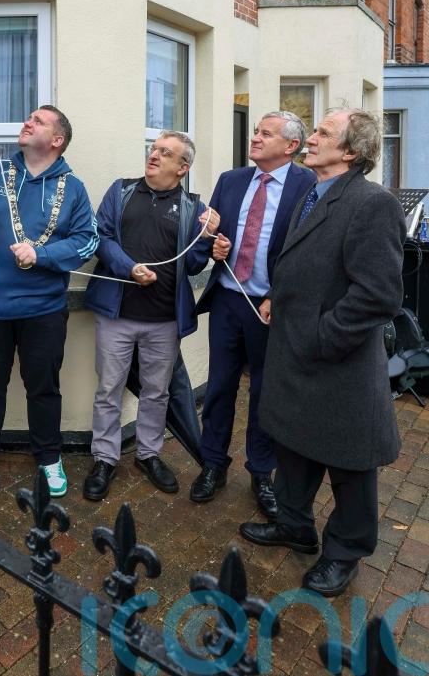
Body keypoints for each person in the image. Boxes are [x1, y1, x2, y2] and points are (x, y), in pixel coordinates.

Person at [240, 108, 405, 597]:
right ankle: (295, 525)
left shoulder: (373, 204)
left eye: (322, 133)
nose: (308, 139)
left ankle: (345, 552)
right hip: (296, 351)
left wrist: (320, 338)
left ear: (351, 151)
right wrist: (277, 297)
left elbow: (378, 295)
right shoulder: (313, 193)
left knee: (350, 463)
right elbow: (303, 265)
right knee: (293, 444)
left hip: (340, 363)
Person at [0, 105, 98, 497]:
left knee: (43, 388)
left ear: (57, 140)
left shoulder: (74, 188)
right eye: (28, 118)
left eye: (39, 121)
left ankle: (49, 458)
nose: (27, 122)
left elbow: (87, 240)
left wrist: (41, 255)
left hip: (43, 311)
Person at [81, 132, 219, 500]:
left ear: (183, 167)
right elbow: (102, 238)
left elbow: (192, 264)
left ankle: (148, 454)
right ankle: (105, 458)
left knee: (156, 392)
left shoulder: (193, 206)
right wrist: (129, 268)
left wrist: (207, 238)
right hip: (117, 315)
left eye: (165, 153)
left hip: (164, 320)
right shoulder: (121, 191)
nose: (154, 155)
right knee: (109, 389)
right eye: (154, 149)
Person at [190, 111, 314, 517]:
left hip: (270, 307)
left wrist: (279, 295)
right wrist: (213, 246)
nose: (255, 138)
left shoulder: (308, 186)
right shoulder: (231, 180)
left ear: (291, 146)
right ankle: (212, 464)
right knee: (220, 387)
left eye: (265, 133)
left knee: (265, 391)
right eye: (255, 131)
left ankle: (262, 471)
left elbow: (312, 253)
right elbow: (205, 238)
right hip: (228, 299)